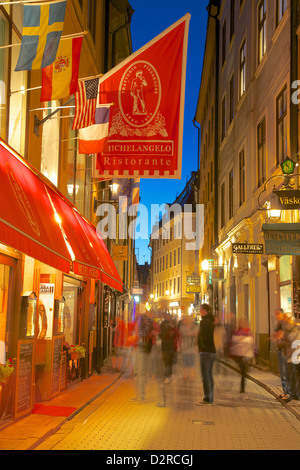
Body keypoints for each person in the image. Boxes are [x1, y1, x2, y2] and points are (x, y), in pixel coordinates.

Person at [130, 312, 154, 403]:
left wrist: (134, 339)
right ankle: (138, 395)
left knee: (140, 373)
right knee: (137, 373)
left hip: (140, 350)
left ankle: (141, 396)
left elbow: (139, 338)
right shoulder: (142, 327)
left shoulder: (143, 329)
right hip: (138, 349)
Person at [196, 304, 216, 405]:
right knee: (210, 375)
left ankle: (207, 398)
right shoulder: (212, 321)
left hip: (206, 351)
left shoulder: (204, 322)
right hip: (212, 351)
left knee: (205, 376)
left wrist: (200, 347)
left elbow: (203, 337)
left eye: (201, 309)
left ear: (205, 311)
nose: (200, 311)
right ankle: (210, 397)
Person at [230, 317, 255, 399]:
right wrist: (244, 339)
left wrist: (240, 340)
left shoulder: (248, 331)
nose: (243, 324)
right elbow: (234, 339)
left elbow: (250, 341)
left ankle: (242, 391)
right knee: (243, 374)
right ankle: (242, 392)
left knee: (244, 374)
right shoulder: (237, 331)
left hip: (247, 355)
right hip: (240, 355)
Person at [271, 308, 291, 400]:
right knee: (282, 372)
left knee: (286, 372)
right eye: (276, 314)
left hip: (285, 351)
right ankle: (285, 391)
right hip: (280, 350)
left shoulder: (285, 325)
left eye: (278, 314)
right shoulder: (279, 324)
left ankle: (289, 393)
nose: (276, 316)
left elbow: (285, 337)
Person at [159, 313, 178, 383]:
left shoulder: (172, 324)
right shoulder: (163, 324)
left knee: (170, 361)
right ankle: (168, 376)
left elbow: (176, 334)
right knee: (167, 362)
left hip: (170, 345)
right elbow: (161, 335)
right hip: (166, 346)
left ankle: (169, 375)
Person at [178, 315, 198, 381]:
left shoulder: (195, 327)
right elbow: (181, 336)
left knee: (192, 363)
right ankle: (186, 375)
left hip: (193, 347)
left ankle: (192, 376)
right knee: (185, 362)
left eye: (186, 320)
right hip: (185, 348)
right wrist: (180, 346)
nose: (184, 321)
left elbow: (196, 335)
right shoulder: (182, 327)